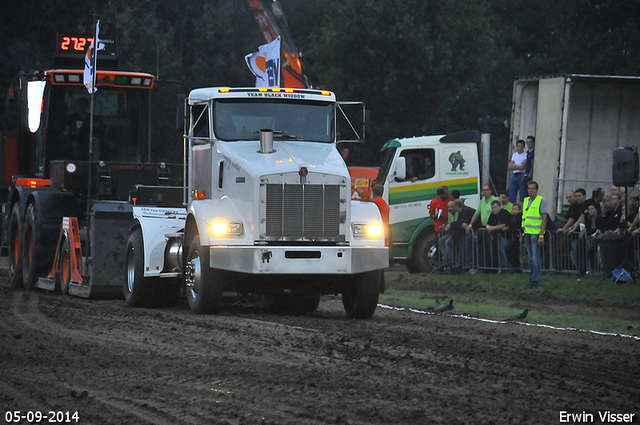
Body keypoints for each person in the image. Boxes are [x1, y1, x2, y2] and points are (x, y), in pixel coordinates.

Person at [520, 181, 548, 289]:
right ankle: (531, 280)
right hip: (527, 232)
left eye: (533, 188)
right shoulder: (526, 200)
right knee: (531, 258)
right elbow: (524, 217)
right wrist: (523, 231)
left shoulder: (541, 200)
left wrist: (541, 235)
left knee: (535, 257)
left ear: (537, 190)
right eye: (529, 188)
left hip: (536, 234)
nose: (531, 190)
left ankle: (534, 281)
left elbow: (544, 217)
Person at [446, 199, 476, 271]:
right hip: (464, 232)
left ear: (457, 206)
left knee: (464, 244)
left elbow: (463, 224)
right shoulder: (461, 212)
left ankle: (460, 264)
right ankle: (454, 262)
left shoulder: (466, 211)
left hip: (474, 231)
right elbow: (460, 223)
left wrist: (452, 225)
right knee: (451, 242)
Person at [486, 200, 512, 271]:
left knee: (503, 251)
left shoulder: (504, 213)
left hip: (505, 235)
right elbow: (488, 223)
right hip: (496, 235)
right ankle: (502, 267)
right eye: (492, 208)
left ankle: (507, 268)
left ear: (499, 207)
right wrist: (488, 228)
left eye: (495, 207)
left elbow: (503, 224)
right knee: (499, 252)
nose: (493, 209)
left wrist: (493, 228)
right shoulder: (492, 215)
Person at [504, 203, 523, 272]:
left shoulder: (521, 217)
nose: (514, 210)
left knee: (508, 248)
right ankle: (516, 266)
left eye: (516, 209)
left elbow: (521, 227)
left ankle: (516, 265)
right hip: (514, 236)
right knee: (514, 252)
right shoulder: (512, 217)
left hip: (519, 237)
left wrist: (521, 236)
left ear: (519, 210)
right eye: (513, 209)